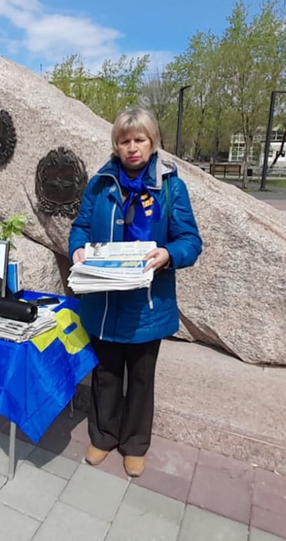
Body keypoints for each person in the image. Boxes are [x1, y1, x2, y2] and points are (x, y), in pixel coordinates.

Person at [68, 107, 202, 478]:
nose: (132, 148)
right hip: (104, 304)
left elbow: (190, 240)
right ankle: (104, 435)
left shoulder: (171, 186)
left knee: (141, 379)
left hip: (147, 306)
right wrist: (77, 248)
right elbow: (79, 227)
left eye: (139, 139)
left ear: (152, 141)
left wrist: (168, 254)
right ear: (116, 144)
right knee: (107, 375)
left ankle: (135, 444)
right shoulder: (99, 184)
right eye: (124, 141)